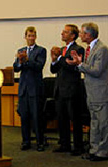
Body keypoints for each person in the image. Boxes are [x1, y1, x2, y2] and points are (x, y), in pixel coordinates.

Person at [67, 22, 108, 161]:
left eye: (82, 33)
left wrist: (80, 64)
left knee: (103, 125)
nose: (80, 35)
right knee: (94, 124)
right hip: (91, 93)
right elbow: (88, 68)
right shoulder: (90, 48)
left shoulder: (101, 49)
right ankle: (94, 150)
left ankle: (102, 152)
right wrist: (78, 63)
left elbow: (96, 71)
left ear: (89, 34)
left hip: (100, 93)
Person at [50, 24, 85, 156]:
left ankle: (78, 146)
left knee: (75, 119)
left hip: (72, 90)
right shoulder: (62, 49)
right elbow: (54, 69)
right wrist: (54, 60)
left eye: (65, 32)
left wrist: (59, 58)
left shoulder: (78, 49)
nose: (62, 34)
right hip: (59, 89)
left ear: (73, 35)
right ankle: (64, 144)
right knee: (62, 119)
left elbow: (72, 66)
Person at [13, 26, 47, 152]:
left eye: (33, 36)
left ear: (35, 37)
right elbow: (16, 68)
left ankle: (40, 142)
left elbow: (39, 66)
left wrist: (26, 60)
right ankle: (25, 141)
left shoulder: (41, 50)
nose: (31, 38)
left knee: (37, 117)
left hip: (35, 89)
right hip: (23, 89)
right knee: (24, 116)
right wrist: (20, 62)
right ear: (25, 37)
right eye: (29, 36)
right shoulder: (21, 50)